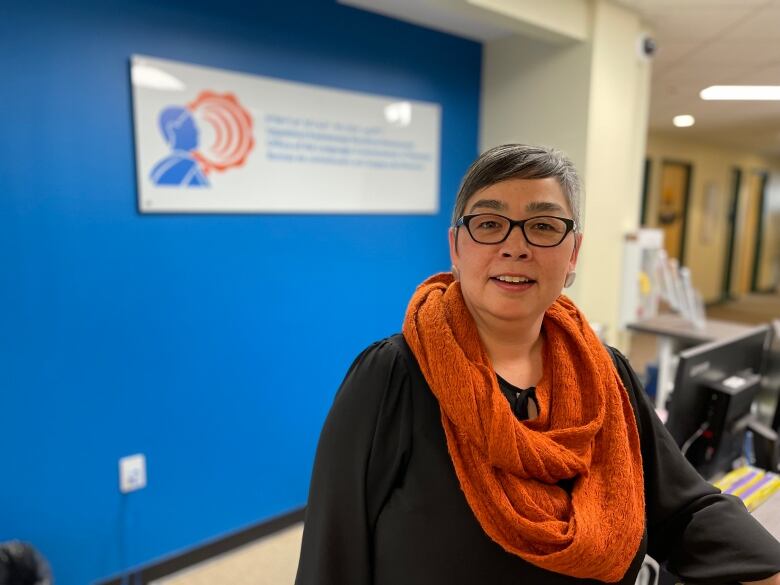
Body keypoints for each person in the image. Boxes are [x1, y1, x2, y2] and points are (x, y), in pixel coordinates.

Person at [295, 144, 780, 585]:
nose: (515, 245)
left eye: (544, 226)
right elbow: (332, 554)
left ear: (574, 254)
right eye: (488, 223)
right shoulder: (391, 377)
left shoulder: (605, 374)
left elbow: (683, 506)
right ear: (456, 248)